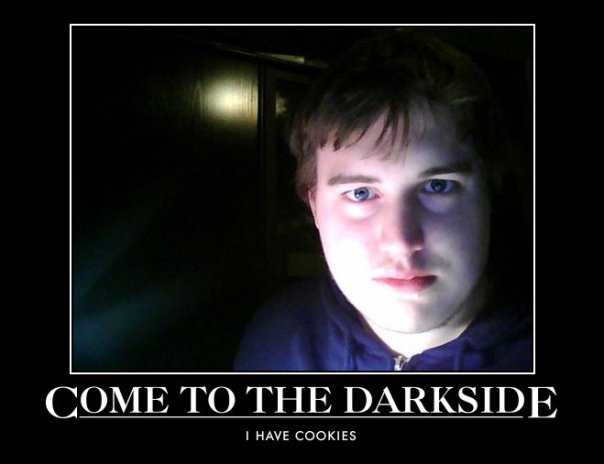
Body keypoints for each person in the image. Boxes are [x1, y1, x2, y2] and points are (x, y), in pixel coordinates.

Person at [234, 30, 532, 371]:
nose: (401, 242)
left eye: (438, 186)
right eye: (360, 193)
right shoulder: (277, 335)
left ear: (490, 193)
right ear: (315, 207)